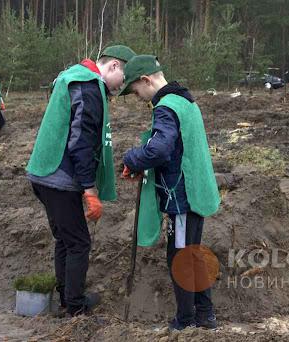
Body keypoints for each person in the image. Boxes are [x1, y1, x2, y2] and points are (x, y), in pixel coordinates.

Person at [25, 45, 136, 317]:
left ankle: (66, 298)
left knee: (65, 239)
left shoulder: (72, 76)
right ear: (113, 67)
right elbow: (81, 142)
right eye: (124, 80)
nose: (122, 89)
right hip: (58, 178)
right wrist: (89, 190)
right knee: (78, 242)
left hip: (43, 174)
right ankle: (75, 306)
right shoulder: (87, 86)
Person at [119, 55, 221, 330]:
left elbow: (159, 149)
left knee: (180, 257)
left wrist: (132, 158)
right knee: (192, 253)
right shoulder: (185, 100)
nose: (138, 97)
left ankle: (186, 321)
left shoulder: (166, 107)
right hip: (194, 193)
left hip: (183, 198)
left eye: (136, 91)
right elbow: (173, 148)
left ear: (146, 80)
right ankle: (205, 315)